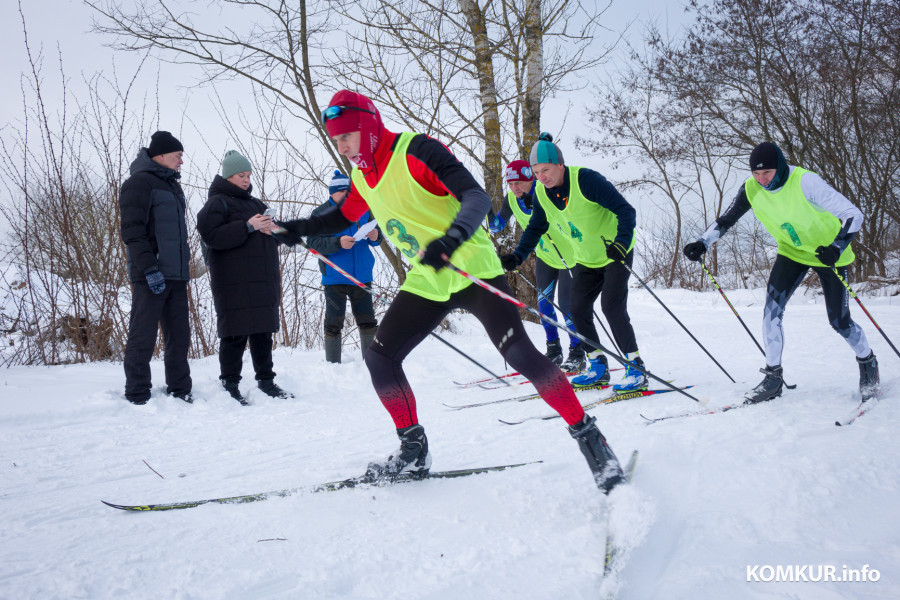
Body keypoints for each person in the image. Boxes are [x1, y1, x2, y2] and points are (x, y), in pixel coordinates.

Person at [274, 90, 625, 493]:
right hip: (428, 280)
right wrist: (296, 228)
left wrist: (452, 238)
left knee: (520, 355)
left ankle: (591, 441)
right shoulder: (361, 176)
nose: (343, 147)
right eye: (336, 141)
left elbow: (476, 196)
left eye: (346, 136)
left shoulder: (415, 151)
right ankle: (413, 449)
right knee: (380, 359)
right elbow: (342, 215)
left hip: (472, 268)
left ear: (367, 127)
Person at [683, 141, 880, 403]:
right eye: (756, 174)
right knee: (771, 312)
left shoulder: (805, 181)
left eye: (767, 173)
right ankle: (773, 378)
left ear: (781, 166)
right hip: (792, 252)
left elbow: (853, 214)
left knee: (839, 322)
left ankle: (867, 362)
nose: (762, 180)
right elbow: (726, 220)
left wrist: (837, 246)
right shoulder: (751, 189)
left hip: (829, 255)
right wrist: (702, 243)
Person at [499, 133, 648, 392]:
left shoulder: (586, 180)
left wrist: (622, 243)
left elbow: (626, 211)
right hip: (585, 259)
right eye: (536, 172)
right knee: (577, 310)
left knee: (611, 307)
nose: (542, 177)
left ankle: (635, 367)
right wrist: (518, 256)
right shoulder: (542, 194)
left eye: (546, 170)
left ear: (560, 164)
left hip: (615, 253)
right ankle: (597, 365)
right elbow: (536, 227)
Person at [197, 150, 292, 403]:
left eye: (248, 175)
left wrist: (278, 230)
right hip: (233, 282)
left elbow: (280, 232)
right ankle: (230, 383)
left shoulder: (256, 204)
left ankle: (267, 380)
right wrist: (248, 226)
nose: (246, 180)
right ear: (228, 176)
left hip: (262, 280)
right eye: (241, 175)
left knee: (262, 332)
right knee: (234, 334)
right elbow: (211, 235)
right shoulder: (217, 203)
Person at [488, 159, 585, 372]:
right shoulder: (512, 199)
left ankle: (578, 352)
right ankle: (554, 350)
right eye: (511, 184)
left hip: (569, 256)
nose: (515, 188)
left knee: (567, 306)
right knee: (544, 306)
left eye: (520, 183)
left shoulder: (545, 191)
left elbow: (568, 213)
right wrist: (486, 210)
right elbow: (496, 226)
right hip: (546, 257)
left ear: (530, 179)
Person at [119, 131, 192, 405]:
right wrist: (150, 269)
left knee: (179, 337)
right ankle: (137, 392)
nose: (181, 162)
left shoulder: (173, 186)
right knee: (143, 335)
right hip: (149, 274)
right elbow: (133, 232)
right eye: (178, 156)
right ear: (160, 156)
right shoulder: (138, 183)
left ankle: (180, 389)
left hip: (176, 274)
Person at [306, 170, 382, 363]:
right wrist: (338, 242)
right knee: (334, 322)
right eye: (343, 193)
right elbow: (313, 243)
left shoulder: (363, 209)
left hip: (362, 275)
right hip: (335, 277)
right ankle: (333, 365)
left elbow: (378, 233)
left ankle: (371, 362)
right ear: (332, 193)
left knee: (367, 321)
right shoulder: (320, 214)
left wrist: (375, 236)